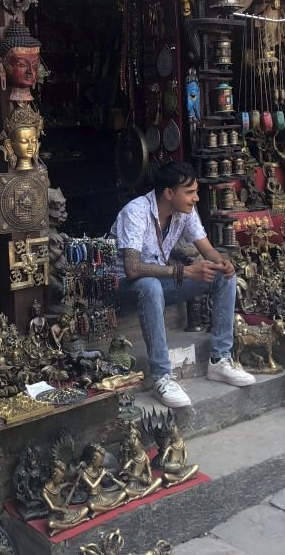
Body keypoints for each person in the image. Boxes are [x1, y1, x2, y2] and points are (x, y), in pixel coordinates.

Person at [110, 161, 254, 409]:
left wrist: (222, 262)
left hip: (159, 284)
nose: (196, 198)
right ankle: (162, 376)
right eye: (190, 192)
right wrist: (185, 271)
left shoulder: (184, 212)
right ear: (168, 193)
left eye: (195, 192)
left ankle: (220, 360)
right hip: (124, 289)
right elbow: (132, 269)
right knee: (150, 285)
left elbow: (207, 250)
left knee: (223, 276)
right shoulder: (135, 212)